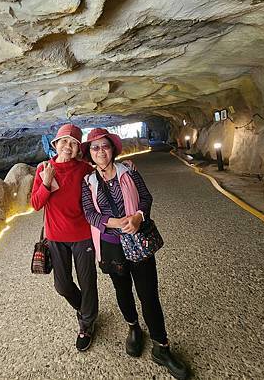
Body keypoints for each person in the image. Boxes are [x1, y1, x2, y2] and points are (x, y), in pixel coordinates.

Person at [81, 128, 190, 380]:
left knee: (149, 294)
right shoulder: (87, 182)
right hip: (110, 244)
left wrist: (139, 217)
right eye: (95, 148)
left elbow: (145, 198)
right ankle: (133, 328)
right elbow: (89, 213)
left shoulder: (129, 170)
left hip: (138, 241)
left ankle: (161, 347)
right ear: (90, 153)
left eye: (104, 146)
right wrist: (115, 222)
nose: (100, 152)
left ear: (113, 149)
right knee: (122, 290)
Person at [30, 124, 98, 352]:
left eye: (74, 143)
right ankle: (86, 309)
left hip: (82, 235)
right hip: (55, 237)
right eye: (64, 141)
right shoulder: (43, 168)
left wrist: (124, 168)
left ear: (79, 148)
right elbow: (36, 204)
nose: (68, 146)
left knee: (87, 281)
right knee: (62, 285)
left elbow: (105, 179)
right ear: (55, 144)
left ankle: (86, 324)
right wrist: (47, 182)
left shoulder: (85, 170)